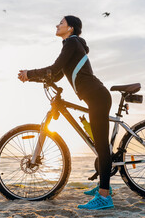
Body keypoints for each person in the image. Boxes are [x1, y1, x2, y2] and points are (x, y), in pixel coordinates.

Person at [18, 15, 114, 210]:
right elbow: (57, 74)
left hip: (97, 96)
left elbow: (53, 69)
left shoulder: (71, 43)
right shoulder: (73, 46)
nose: (57, 25)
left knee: (102, 147)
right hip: (95, 96)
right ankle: (104, 187)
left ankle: (104, 197)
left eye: (61, 23)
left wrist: (30, 73)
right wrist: (32, 79)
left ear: (70, 28)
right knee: (99, 144)